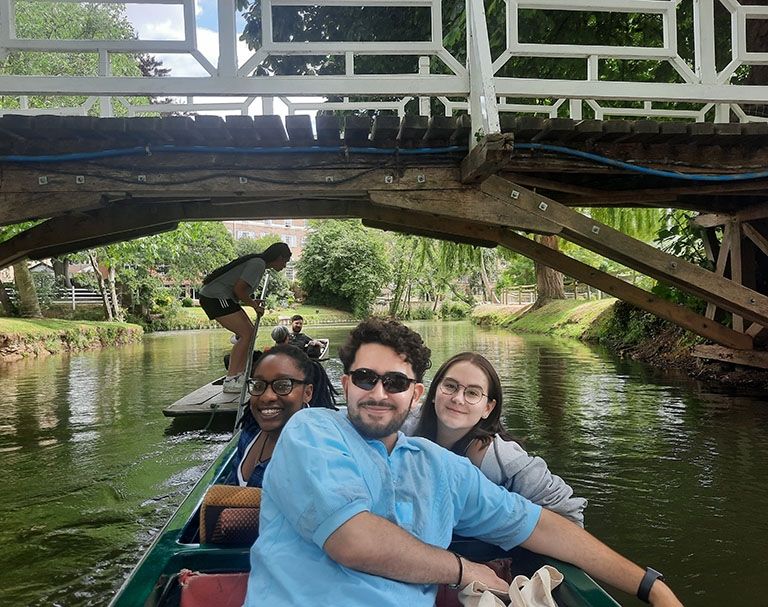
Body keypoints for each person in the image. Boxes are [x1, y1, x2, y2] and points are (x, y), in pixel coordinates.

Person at [244, 318, 682, 607]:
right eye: (365, 378)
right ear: (346, 384)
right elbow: (354, 542)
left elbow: (545, 526)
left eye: (395, 381)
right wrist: (464, 568)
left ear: (415, 393)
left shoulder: (440, 466)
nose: (378, 393)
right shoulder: (313, 430)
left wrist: (651, 586)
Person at [405, 351, 587, 526]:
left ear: (488, 408)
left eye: (473, 393)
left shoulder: (498, 458)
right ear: (434, 393)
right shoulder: (405, 427)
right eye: (450, 386)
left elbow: (569, 514)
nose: (458, 399)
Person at [198, 242, 291, 393]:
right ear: (279, 257)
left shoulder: (259, 263)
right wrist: (254, 306)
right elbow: (239, 289)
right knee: (246, 334)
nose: (285, 266)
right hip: (214, 297)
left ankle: (238, 371)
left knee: (250, 333)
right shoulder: (258, 264)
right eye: (285, 261)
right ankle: (232, 379)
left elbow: (237, 292)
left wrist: (253, 302)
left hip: (223, 298)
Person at [226, 344, 313, 487]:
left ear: (307, 393)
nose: (267, 397)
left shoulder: (312, 455)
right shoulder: (251, 431)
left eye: (283, 385)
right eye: (259, 385)